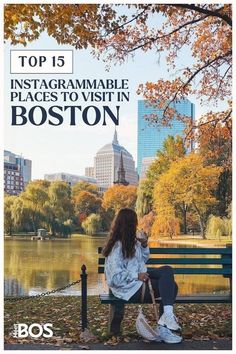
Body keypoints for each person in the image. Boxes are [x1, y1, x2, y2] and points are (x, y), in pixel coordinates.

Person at [103, 208, 182, 344]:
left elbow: (143, 260)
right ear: (129, 225)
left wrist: (144, 245)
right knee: (172, 287)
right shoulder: (117, 247)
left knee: (167, 270)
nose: (136, 226)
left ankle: (167, 317)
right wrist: (136, 275)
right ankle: (164, 327)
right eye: (134, 223)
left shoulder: (132, 242)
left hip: (138, 279)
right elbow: (114, 279)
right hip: (127, 288)